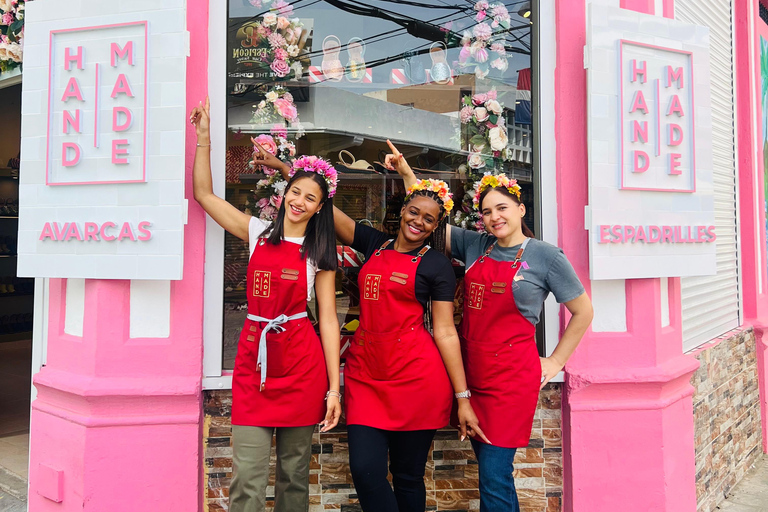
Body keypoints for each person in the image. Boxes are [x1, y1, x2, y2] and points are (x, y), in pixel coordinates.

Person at [251, 144, 488, 512]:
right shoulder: (374, 244)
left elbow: (444, 332)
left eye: (429, 219)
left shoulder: (436, 266)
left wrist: (462, 398)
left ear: (436, 225)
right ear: (402, 211)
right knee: (365, 471)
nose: (419, 222)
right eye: (414, 212)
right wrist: (285, 168)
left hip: (416, 380)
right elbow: (325, 207)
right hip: (366, 377)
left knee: (408, 477)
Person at [384, 140, 593, 512]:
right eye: (486, 212)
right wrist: (405, 173)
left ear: (520, 208)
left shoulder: (546, 256)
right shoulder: (475, 245)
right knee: (492, 473)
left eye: (502, 208)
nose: (494, 217)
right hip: (471, 376)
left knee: (494, 474)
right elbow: (426, 215)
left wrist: (556, 360)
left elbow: (583, 312)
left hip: (511, 381)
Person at [190, 98, 342, 512]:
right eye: (295, 192)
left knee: (294, 477)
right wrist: (203, 139)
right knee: (247, 479)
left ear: (319, 206)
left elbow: (328, 321)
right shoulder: (257, 233)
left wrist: (334, 388)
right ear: (284, 194)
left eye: (311, 198)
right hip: (255, 366)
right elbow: (203, 195)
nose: (300, 202)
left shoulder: (319, 253)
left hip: (301, 366)